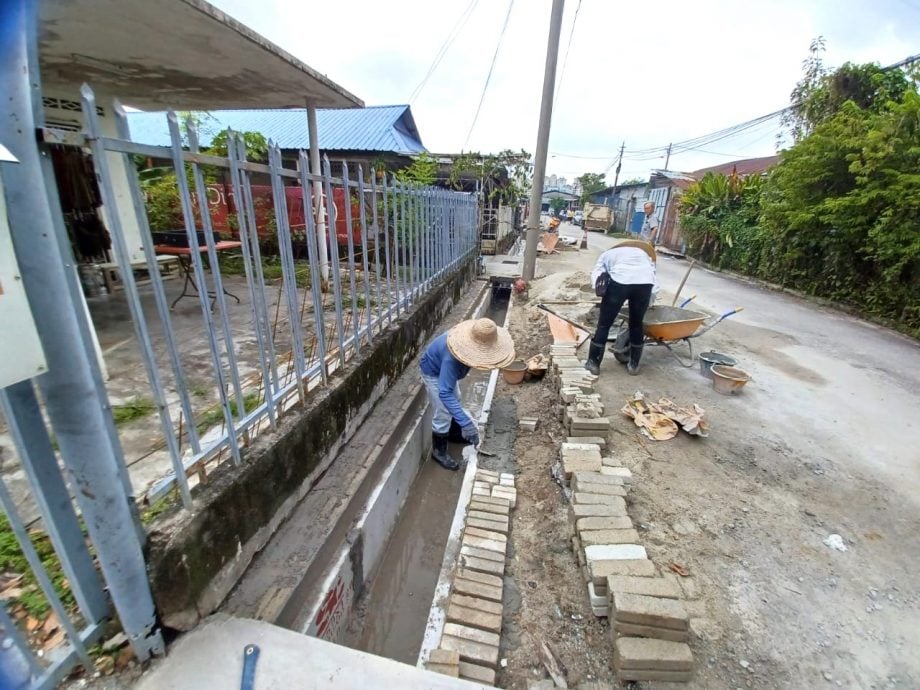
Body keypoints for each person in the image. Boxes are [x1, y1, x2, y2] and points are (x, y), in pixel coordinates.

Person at [420, 318, 515, 470]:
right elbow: (444, 393)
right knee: (444, 409)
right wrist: (466, 423)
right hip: (433, 372)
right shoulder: (452, 357)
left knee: (456, 398)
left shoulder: (475, 335)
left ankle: (452, 433)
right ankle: (439, 451)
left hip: (444, 369)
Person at [586, 240, 657, 376]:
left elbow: (598, 273)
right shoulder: (643, 254)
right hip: (645, 285)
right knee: (636, 324)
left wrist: (599, 290)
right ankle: (634, 365)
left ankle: (593, 363)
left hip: (620, 282)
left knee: (604, 324)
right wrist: (649, 300)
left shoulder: (608, 253)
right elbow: (653, 278)